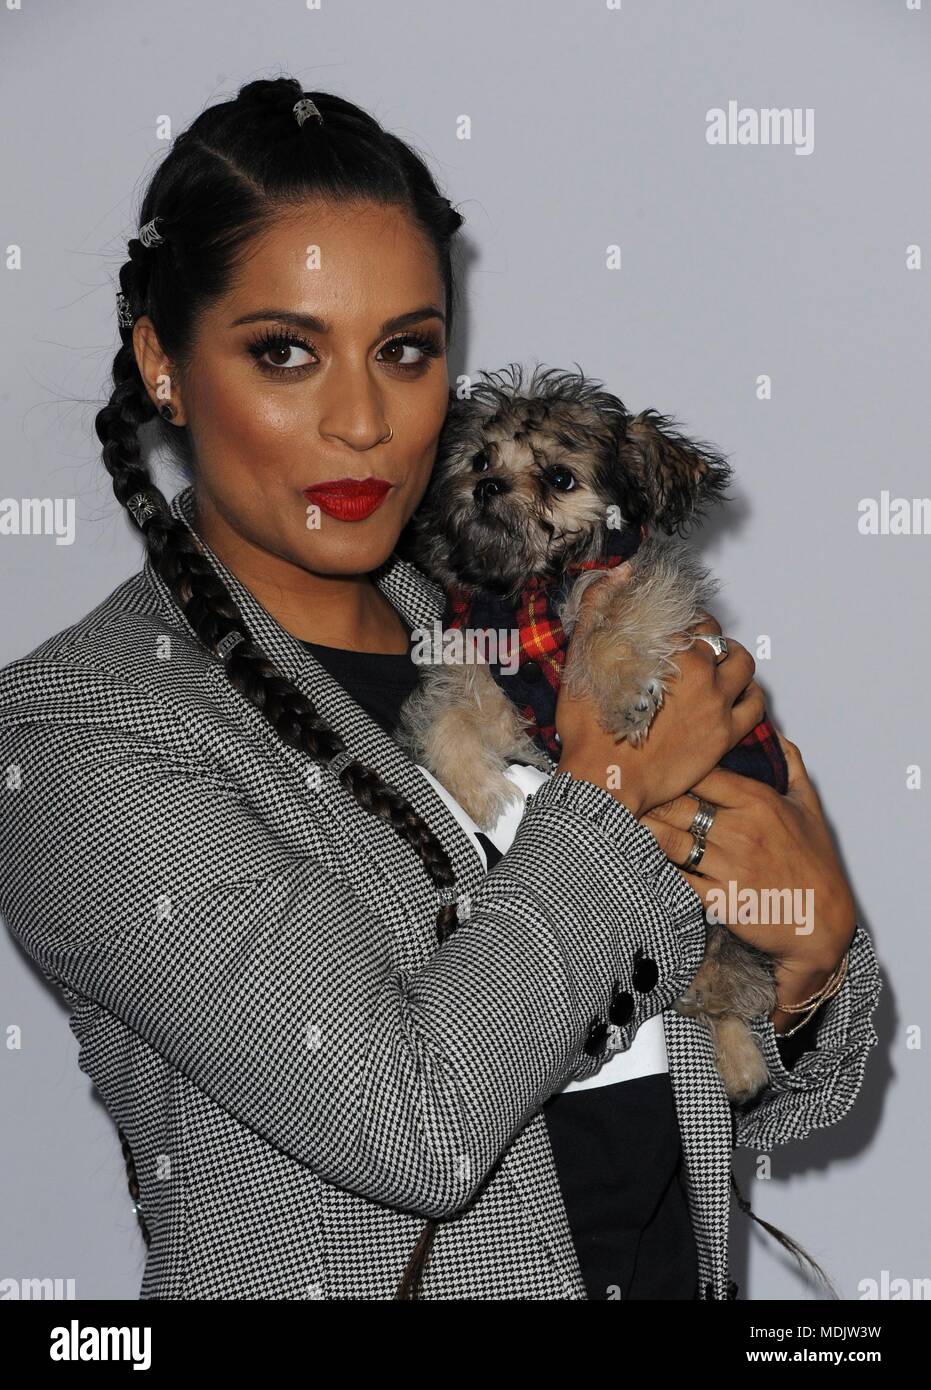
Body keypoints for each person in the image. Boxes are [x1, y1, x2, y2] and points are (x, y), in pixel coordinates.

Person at [0, 77, 881, 1301]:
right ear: (162, 361)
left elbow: (772, 1096)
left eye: (404, 350)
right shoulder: (79, 730)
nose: (363, 421)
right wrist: (610, 785)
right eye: (286, 353)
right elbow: (419, 1122)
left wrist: (816, 962)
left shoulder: (517, 632)